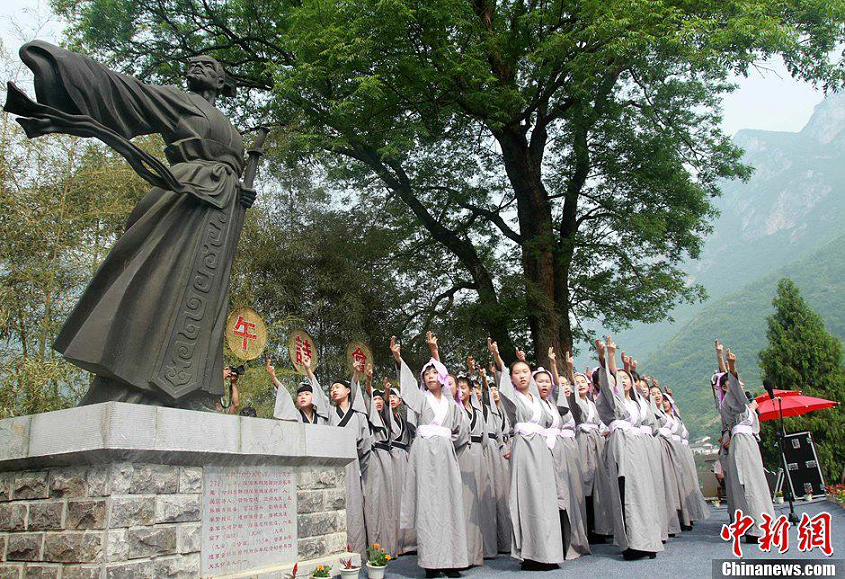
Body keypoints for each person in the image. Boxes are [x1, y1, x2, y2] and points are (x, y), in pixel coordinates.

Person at [9, 41, 252, 408]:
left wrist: (240, 193)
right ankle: (129, 382)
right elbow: (129, 92)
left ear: (222, 81)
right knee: (155, 279)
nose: (197, 66)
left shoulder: (231, 128)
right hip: (184, 196)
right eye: (194, 62)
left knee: (203, 297)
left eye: (208, 64)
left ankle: (189, 389)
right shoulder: (177, 100)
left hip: (221, 210)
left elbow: (233, 168)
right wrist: (66, 66)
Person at [391, 335, 469, 578]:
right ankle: (431, 563)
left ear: (442, 377)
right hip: (425, 454)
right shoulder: (420, 399)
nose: (430, 376)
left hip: (445, 455)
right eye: (426, 374)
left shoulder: (451, 404)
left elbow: (462, 432)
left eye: (434, 373)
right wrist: (398, 358)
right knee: (428, 507)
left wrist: (448, 442)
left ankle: (452, 561)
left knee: (450, 505)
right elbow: (407, 387)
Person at [488, 338, 564, 570]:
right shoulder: (513, 400)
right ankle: (530, 554)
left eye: (525, 371)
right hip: (523, 448)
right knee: (527, 498)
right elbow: (503, 386)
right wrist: (498, 357)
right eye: (517, 373)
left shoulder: (541, 401)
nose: (522, 375)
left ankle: (549, 553)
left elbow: (553, 416)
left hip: (541, 449)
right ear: (511, 379)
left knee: (546, 500)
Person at [593, 337, 663, 560]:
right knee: (627, 492)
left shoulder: (638, 403)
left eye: (626, 378)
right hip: (622, 446)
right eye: (618, 378)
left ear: (632, 382)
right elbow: (607, 383)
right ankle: (632, 542)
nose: (621, 380)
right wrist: (608, 356)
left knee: (645, 493)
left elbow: (652, 424)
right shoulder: (614, 402)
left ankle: (649, 539)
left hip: (641, 448)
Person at [719, 348, 774, 543]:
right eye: (734, 383)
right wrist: (731, 366)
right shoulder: (729, 402)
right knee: (747, 484)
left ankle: (764, 522)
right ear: (726, 388)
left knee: (757, 482)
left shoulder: (745, 406)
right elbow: (735, 389)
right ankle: (753, 528)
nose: (739, 385)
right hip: (741, 443)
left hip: (750, 443)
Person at [542, 350, 590, 559]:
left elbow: (577, 409)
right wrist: (554, 366)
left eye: (567, 385)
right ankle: (561, 539)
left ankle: (580, 534)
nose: (565, 388)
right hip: (556, 449)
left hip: (573, 449)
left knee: (576, 492)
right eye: (559, 385)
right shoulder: (553, 407)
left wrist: (570, 370)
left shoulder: (575, 407)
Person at [565, 354, 611, 543]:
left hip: (596, 443)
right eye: (577, 382)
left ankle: (601, 526)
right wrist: (570, 368)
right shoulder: (575, 403)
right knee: (585, 484)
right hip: (582, 441)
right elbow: (573, 401)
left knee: (600, 483)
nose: (581, 384)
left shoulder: (593, 403)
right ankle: (587, 527)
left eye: (583, 381)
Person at [328, 363, 373, 558]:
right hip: (333, 463)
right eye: (331, 389)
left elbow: (365, 445)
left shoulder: (359, 415)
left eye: (337, 387)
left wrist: (360, 467)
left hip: (353, 464)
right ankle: (334, 550)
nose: (333, 391)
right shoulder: (329, 413)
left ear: (348, 390)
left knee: (354, 507)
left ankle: (356, 551)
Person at [363, 364, 398, 556]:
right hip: (376, 458)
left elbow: (388, 409)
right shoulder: (371, 418)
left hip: (389, 460)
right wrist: (368, 380)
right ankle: (376, 548)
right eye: (374, 399)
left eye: (380, 399)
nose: (377, 402)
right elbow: (367, 398)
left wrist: (386, 392)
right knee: (376, 502)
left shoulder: (387, 417)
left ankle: (391, 546)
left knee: (389, 503)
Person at [480, 365, 513, 554]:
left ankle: (506, 539)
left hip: (506, 449)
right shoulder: (487, 410)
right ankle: (493, 540)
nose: (494, 393)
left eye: (496, 390)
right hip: (492, 449)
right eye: (491, 390)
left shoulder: (506, 412)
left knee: (505, 494)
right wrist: (487, 378)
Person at [386, 381, 416, 555]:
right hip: (393, 457)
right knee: (395, 497)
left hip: (405, 457)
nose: (391, 399)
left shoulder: (404, 421)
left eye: (394, 396)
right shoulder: (386, 416)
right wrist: (387, 390)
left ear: (401, 400)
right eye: (389, 396)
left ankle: (409, 542)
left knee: (407, 497)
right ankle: (396, 542)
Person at [266, 356, 329, 424]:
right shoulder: (295, 415)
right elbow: (285, 395)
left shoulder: (321, 417)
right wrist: (273, 377)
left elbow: (318, 391)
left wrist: (307, 369)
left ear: (315, 397)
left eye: (307, 394)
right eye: (299, 395)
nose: (303, 397)